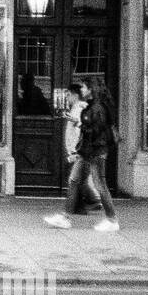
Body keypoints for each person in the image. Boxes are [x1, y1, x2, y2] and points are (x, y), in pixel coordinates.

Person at [44, 79, 121, 232]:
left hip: (95, 152)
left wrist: (80, 125)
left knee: (100, 184)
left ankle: (112, 220)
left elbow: (97, 131)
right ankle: (65, 217)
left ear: (91, 89)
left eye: (84, 87)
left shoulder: (97, 107)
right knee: (74, 181)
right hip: (87, 152)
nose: (82, 89)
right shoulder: (93, 105)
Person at [62, 82, 101, 214]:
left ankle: (94, 200)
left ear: (75, 95)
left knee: (76, 180)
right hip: (78, 150)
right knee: (78, 179)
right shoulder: (77, 108)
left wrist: (75, 121)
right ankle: (79, 207)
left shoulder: (80, 108)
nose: (67, 98)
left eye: (68, 95)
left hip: (80, 150)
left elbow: (85, 127)